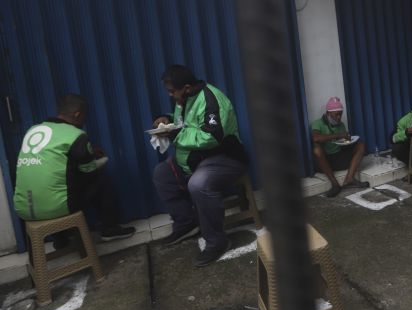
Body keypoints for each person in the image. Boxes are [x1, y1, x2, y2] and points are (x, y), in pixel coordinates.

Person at [152, 65, 248, 266]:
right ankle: (187, 223)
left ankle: (217, 240)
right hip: (195, 159)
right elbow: (186, 125)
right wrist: (167, 121)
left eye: (172, 91)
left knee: (198, 184)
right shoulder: (184, 100)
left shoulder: (211, 99)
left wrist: (175, 134)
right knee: (162, 174)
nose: (171, 96)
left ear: (186, 88)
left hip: (224, 158)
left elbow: (212, 136)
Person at [13, 94, 135, 247]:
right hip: (56, 208)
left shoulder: (33, 130)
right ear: (78, 114)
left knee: (52, 184)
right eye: (84, 117)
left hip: (24, 208)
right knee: (99, 179)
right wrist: (95, 160)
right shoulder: (76, 135)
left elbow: (51, 162)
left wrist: (87, 153)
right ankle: (109, 229)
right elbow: (88, 171)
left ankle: (61, 238)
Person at [311, 97, 369, 198]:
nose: (339, 117)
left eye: (340, 114)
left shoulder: (340, 125)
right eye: (336, 114)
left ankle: (349, 179)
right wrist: (338, 135)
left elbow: (343, 142)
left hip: (339, 158)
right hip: (326, 162)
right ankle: (335, 185)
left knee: (361, 144)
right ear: (328, 113)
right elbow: (316, 138)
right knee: (317, 150)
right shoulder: (318, 123)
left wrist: (348, 140)